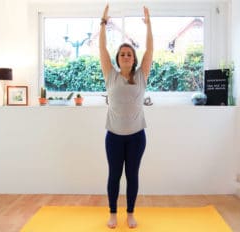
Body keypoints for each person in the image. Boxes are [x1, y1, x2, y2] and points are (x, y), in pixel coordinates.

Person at [99, 4, 153, 229]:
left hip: (136, 137)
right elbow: (101, 49)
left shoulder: (141, 75)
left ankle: (130, 213)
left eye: (129, 53)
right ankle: (113, 213)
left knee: (132, 175)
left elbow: (150, 50)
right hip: (114, 136)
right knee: (114, 176)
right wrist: (103, 23)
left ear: (134, 58)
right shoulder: (110, 75)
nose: (126, 56)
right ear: (118, 58)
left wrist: (149, 25)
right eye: (122, 54)